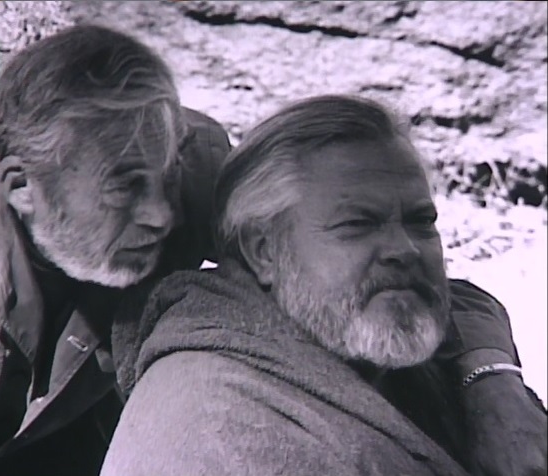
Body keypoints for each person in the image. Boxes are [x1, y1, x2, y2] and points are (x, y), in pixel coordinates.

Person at [102, 95, 547, 476]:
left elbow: (462, 301)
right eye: (358, 223)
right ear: (263, 251)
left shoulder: (369, 340)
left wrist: (491, 379)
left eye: (421, 221)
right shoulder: (218, 432)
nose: (405, 248)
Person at [0, 24, 230, 476]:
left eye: (169, 177)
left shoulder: (185, 153)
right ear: (23, 187)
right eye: (123, 187)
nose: (162, 214)